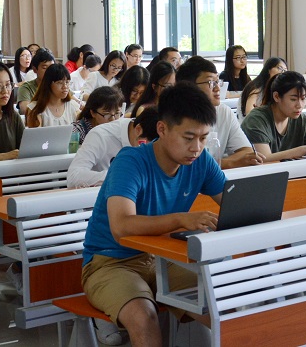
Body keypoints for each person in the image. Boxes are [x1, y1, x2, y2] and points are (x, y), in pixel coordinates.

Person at [81, 83, 225, 347]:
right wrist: (181, 219)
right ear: (162, 129)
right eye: (188, 137)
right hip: (111, 263)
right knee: (144, 317)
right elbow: (122, 226)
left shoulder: (201, 161)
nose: (196, 147)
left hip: (164, 259)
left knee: (222, 304)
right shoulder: (130, 161)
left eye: (204, 138)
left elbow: (232, 202)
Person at [176, 56, 261, 169]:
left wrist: (217, 164)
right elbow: (184, 165)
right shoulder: (176, 116)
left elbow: (247, 153)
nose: (217, 88)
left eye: (218, 82)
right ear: (190, 86)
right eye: (211, 82)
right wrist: (230, 163)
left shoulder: (223, 111)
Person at [242, 71, 306, 162]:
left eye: (303, 98)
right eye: (293, 99)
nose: (299, 105)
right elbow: (264, 160)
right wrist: (303, 150)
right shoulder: (256, 119)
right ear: (276, 97)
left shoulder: (300, 119)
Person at [69, 109, 160, 188]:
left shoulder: (160, 142)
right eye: (150, 146)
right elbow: (74, 177)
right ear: (138, 130)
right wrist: (119, 175)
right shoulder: (101, 135)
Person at [27, 64, 81, 129]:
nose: (65, 86)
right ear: (48, 84)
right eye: (60, 83)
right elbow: (36, 134)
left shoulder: (73, 106)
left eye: (67, 82)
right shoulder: (35, 108)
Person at [17, 48, 55, 115]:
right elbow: (26, 110)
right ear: (35, 69)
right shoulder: (26, 88)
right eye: (45, 68)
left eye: (52, 67)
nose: (49, 71)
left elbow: (72, 102)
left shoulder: (58, 85)